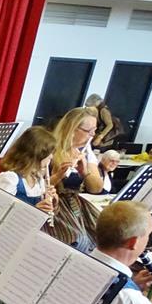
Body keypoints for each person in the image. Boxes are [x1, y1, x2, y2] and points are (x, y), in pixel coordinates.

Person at [47, 107, 104, 252]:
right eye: (89, 131)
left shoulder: (85, 151)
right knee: (78, 241)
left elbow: (96, 189)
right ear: (72, 129)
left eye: (94, 130)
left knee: (104, 234)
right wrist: (58, 175)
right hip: (55, 205)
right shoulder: (50, 149)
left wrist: (85, 173)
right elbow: (38, 187)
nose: (93, 135)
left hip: (75, 204)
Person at [0, 126, 58, 214]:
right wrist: (34, 211)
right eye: (49, 153)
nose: (51, 157)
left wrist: (52, 204)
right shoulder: (10, 178)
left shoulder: (38, 180)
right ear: (37, 154)